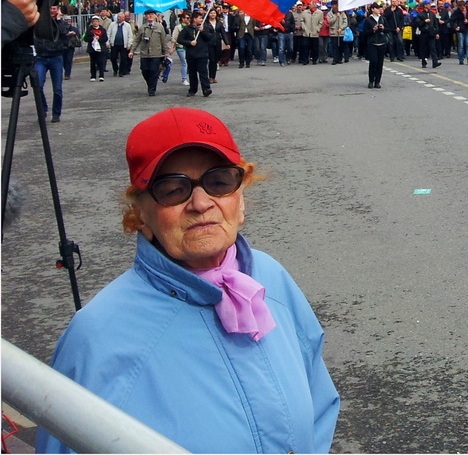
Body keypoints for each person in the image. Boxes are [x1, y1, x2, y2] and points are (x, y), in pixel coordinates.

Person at [34, 107, 340, 454]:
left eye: (219, 182)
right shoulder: (97, 338)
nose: (200, 202)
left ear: (240, 200)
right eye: (172, 189)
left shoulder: (271, 278)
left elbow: (319, 405)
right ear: (140, 214)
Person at [33, 3, 68, 122]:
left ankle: (56, 113)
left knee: (57, 89)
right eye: (50, 8)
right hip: (41, 57)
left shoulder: (60, 23)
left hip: (56, 57)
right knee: (38, 85)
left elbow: (64, 34)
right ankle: (42, 110)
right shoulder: (40, 20)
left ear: (58, 10)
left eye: (54, 8)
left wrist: (58, 21)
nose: (52, 11)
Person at [129, 10, 169, 96]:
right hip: (144, 54)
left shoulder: (160, 27)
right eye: (148, 15)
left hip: (156, 53)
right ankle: (150, 84)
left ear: (155, 16)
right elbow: (137, 40)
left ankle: (152, 90)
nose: (150, 16)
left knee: (154, 71)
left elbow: (163, 41)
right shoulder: (142, 28)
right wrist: (132, 51)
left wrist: (166, 52)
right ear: (145, 17)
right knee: (145, 70)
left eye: (152, 14)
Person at [178, 10, 214, 98]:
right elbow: (180, 39)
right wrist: (189, 43)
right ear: (194, 19)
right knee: (192, 73)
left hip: (202, 54)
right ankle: (193, 89)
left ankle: (206, 89)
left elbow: (210, 37)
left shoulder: (204, 27)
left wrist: (203, 31)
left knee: (203, 72)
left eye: (202, 18)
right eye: (200, 18)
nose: (201, 20)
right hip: (191, 55)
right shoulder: (187, 29)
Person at [365, 2, 387, 88]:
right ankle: (371, 81)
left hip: (382, 42)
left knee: (380, 63)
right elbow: (365, 33)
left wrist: (383, 28)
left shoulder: (382, 19)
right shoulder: (368, 20)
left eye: (380, 8)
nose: (379, 10)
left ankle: (377, 81)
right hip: (372, 43)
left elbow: (388, 29)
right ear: (373, 9)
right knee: (373, 61)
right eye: (377, 8)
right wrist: (373, 30)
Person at [414, 1, 441, 69]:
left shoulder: (432, 14)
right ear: (425, 5)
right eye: (428, 4)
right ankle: (423, 62)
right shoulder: (420, 14)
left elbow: (435, 24)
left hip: (431, 33)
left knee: (433, 48)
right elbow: (417, 23)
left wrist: (436, 32)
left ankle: (435, 62)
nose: (429, 5)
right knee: (423, 48)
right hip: (424, 33)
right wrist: (424, 21)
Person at [204, 8, 227, 84]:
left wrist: (227, 43)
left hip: (217, 43)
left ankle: (214, 77)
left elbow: (223, 33)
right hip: (209, 44)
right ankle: (210, 77)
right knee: (211, 60)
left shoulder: (219, 23)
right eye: (211, 13)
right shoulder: (205, 23)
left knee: (216, 61)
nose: (212, 15)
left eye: (214, 13)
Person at [451, 0, 468, 65]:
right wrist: (455, 27)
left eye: (462, 8)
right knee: (461, 45)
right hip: (460, 29)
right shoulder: (457, 12)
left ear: (465, 6)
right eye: (460, 8)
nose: (461, 9)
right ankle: (461, 58)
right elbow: (452, 20)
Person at [83, 14, 109, 81]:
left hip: (100, 48)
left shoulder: (102, 30)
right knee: (93, 62)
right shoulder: (89, 30)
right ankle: (93, 76)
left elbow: (105, 38)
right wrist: (92, 38)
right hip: (92, 49)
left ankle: (101, 75)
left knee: (101, 62)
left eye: (97, 21)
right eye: (94, 21)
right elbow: (86, 38)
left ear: (99, 22)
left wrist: (99, 38)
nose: (95, 23)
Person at [107, 12, 133, 77]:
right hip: (114, 44)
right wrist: (107, 42)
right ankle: (115, 69)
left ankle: (121, 72)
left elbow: (130, 36)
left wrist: (129, 44)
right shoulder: (112, 24)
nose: (118, 18)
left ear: (123, 18)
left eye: (120, 17)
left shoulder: (127, 25)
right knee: (113, 58)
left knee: (123, 59)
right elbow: (108, 34)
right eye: (118, 17)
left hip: (123, 45)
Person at [170, 12, 191, 86]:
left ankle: (189, 76)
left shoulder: (191, 27)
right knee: (184, 62)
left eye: (189, 18)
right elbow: (174, 38)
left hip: (189, 47)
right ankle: (184, 78)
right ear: (183, 19)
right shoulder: (178, 27)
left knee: (190, 62)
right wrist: (172, 48)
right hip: (181, 47)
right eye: (187, 18)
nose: (189, 19)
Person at [61, 15, 81, 80]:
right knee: (63, 60)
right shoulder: (61, 28)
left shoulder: (74, 29)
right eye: (66, 21)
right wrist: (66, 34)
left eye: (69, 21)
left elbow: (79, 36)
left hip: (70, 46)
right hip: (62, 46)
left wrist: (75, 34)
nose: (68, 22)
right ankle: (66, 69)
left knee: (69, 60)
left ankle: (67, 74)